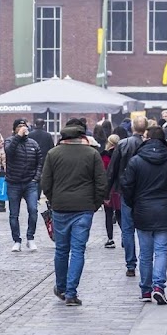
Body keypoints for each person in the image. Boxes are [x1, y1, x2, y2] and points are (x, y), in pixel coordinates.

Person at [119, 126, 167, 304]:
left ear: (147, 138)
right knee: (162, 250)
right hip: (164, 209)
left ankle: (146, 289)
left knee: (145, 253)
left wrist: (134, 203)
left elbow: (126, 186)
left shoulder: (136, 161)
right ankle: (159, 286)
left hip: (142, 210)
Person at [41, 118, 106, 306]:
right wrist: (94, 204)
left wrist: (54, 199)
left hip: (61, 207)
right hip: (84, 208)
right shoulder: (92, 154)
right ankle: (71, 292)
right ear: (82, 136)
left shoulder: (53, 154)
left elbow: (46, 183)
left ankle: (60, 287)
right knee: (78, 250)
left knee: (61, 250)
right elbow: (101, 183)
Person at [106, 114, 149, 278]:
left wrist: (107, 192)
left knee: (128, 229)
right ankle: (144, 261)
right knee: (143, 229)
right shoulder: (148, 145)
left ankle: (131, 264)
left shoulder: (123, 144)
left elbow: (112, 170)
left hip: (126, 191)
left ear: (132, 128)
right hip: (144, 192)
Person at [4, 118, 43, 252]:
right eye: (19, 126)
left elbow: (39, 162)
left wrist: (36, 178)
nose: (23, 128)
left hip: (30, 183)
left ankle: (30, 238)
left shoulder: (33, 143)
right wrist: (18, 136)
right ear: (14, 129)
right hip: (13, 183)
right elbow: (9, 152)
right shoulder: (10, 141)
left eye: (24, 126)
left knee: (33, 210)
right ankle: (16, 240)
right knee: (14, 214)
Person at [100, 133, 121, 249]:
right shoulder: (121, 154)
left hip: (109, 187)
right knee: (120, 213)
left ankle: (110, 238)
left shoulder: (104, 156)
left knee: (108, 214)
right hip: (119, 187)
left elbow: (103, 173)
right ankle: (125, 236)